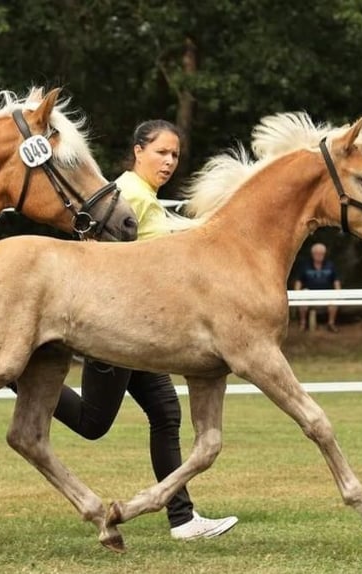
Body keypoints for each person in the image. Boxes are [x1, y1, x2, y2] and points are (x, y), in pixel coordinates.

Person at [52, 120, 238, 540]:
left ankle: (183, 519)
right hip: (117, 333)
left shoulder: (139, 195)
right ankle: (13, 376)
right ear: (138, 151)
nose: (169, 161)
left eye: (175, 155)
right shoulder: (131, 196)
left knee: (165, 413)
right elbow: (166, 252)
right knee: (92, 423)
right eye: (161, 152)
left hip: (141, 334)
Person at [294, 242, 342, 332]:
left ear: (324, 254)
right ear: (312, 254)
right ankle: (303, 323)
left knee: (334, 300)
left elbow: (336, 281)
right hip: (309, 294)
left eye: (321, 253)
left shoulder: (330, 265)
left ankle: (331, 324)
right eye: (317, 253)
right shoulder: (305, 266)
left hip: (326, 293)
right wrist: (297, 295)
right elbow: (298, 281)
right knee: (302, 298)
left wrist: (338, 293)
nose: (319, 255)